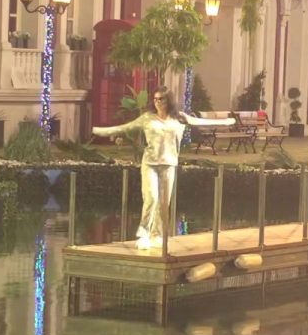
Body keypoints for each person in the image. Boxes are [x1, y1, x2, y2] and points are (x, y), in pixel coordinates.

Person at [92, 86, 235, 250]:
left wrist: (225, 122)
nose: (158, 102)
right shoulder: (148, 118)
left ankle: (157, 235)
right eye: (155, 99)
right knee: (151, 198)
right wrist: (100, 131)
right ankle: (144, 234)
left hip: (169, 164)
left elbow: (201, 122)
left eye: (161, 99)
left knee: (163, 203)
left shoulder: (179, 118)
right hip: (150, 164)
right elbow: (125, 127)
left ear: (169, 100)